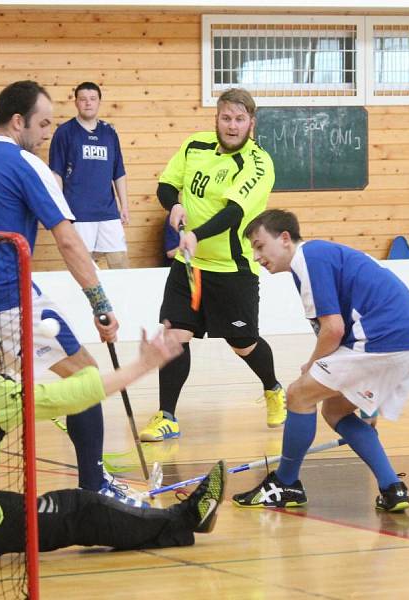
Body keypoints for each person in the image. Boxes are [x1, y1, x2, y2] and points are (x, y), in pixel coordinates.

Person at [0, 306, 226, 566]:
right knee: (79, 508)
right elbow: (78, 394)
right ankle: (184, 520)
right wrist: (143, 365)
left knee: (6, 500)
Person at [0, 80, 128, 500]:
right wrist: (100, 303)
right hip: (6, 296)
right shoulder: (26, 163)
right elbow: (68, 240)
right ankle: (96, 488)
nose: (46, 134)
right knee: (85, 377)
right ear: (18, 120)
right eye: (43, 124)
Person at [233, 209, 409, 511]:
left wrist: (311, 366)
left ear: (285, 239)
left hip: (383, 337)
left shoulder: (308, 258)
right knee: (336, 410)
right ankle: (393, 488)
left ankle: (286, 484)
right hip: (408, 340)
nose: (257, 256)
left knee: (299, 394)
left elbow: (333, 329)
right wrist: (366, 401)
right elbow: (336, 328)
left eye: (260, 246)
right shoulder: (318, 258)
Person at [139, 87, 286, 443]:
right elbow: (166, 185)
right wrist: (172, 205)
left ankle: (273, 388)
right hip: (190, 266)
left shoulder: (258, 163)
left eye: (239, 119)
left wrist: (196, 235)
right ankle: (167, 416)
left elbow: (234, 212)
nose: (232, 126)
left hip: (231, 269)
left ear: (252, 122)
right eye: (225, 118)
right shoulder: (195, 146)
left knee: (243, 343)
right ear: (216, 119)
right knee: (175, 336)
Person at [49, 81, 130, 269]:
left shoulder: (109, 133)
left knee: (120, 263)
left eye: (93, 99)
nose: (88, 103)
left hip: (108, 212)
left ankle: (120, 299)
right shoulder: (64, 132)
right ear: (76, 102)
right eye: (83, 99)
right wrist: (62, 209)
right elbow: (56, 173)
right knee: (83, 266)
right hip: (79, 213)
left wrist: (124, 205)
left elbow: (119, 172)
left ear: (99, 102)